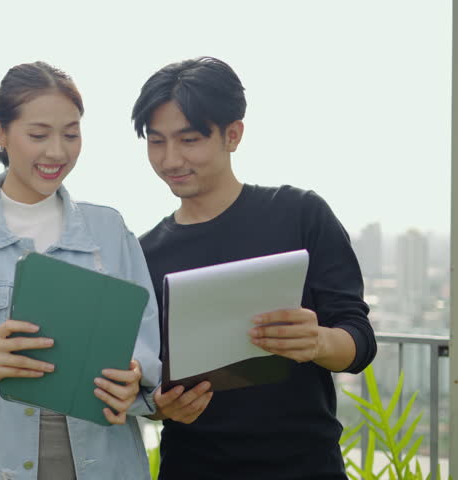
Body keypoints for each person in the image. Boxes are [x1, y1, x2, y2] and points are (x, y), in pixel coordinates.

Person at [0, 61, 161, 479]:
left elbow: (146, 345)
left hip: (106, 460)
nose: (57, 152)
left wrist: (133, 376)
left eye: (71, 133)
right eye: (38, 135)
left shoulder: (110, 231)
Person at [133, 56, 377, 479]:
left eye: (189, 140)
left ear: (233, 134)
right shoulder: (144, 253)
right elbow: (146, 381)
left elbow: (359, 343)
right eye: (157, 141)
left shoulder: (300, 214)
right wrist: (158, 407)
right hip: (193, 467)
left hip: (304, 466)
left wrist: (317, 341)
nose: (170, 159)